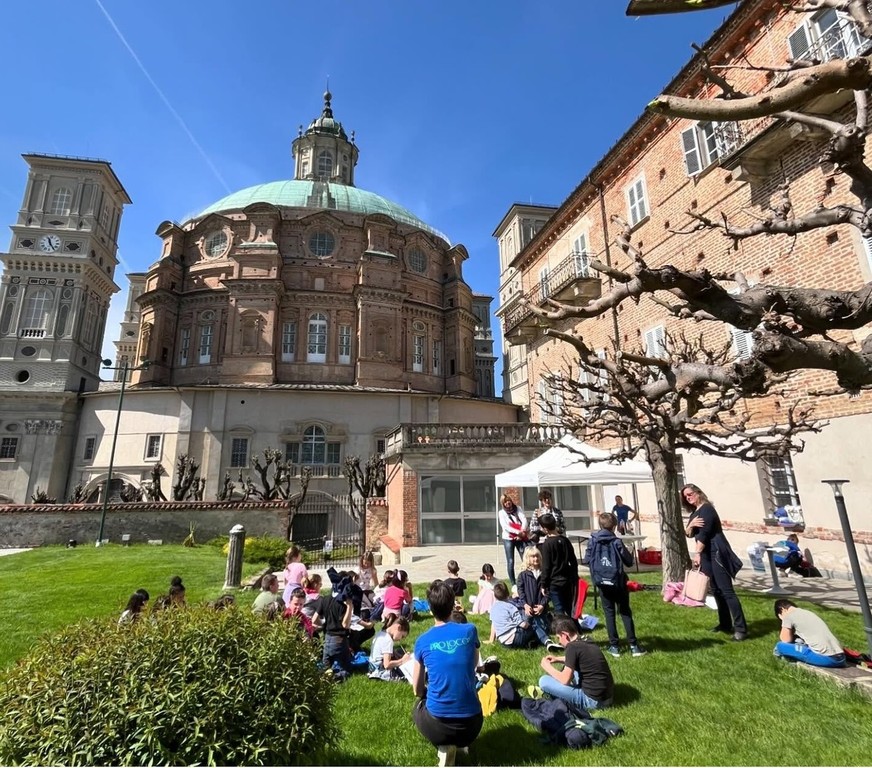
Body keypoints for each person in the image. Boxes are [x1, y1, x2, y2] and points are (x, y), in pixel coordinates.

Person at [412, 580, 483, 767]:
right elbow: (473, 664)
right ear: (453, 605)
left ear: (430, 608)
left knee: (418, 705)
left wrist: (427, 692)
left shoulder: (422, 641)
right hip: (472, 726)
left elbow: (417, 689)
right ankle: (460, 745)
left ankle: (445, 747)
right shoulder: (470, 630)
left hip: (438, 728)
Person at [682, 483, 747, 641]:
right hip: (706, 554)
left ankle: (741, 629)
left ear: (698, 493)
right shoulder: (695, 512)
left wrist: (697, 553)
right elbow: (688, 534)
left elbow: (704, 534)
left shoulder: (707, 510)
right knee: (716, 590)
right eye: (685, 496)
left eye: (690, 494)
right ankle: (725, 624)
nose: (688, 498)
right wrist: (691, 525)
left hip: (716, 551)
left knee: (727, 591)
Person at [583, 512, 646, 658]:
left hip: (602, 582)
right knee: (625, 612)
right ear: (615, 526)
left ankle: (614, 646)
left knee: (609, 613)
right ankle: (634, 646)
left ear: (600, 525)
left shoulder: (593, 541)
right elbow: (629, 562)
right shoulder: (616, 541)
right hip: (618, 582)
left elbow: (586, 560)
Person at [539, 616, 615, 711]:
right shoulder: (586, 639)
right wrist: (557, 659)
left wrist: (547, 667)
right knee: (569, 668)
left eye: (558, 638)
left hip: (592, 701)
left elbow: (565, 680)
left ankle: (553, 695)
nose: (559, 642)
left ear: (564, 635)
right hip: (608, 696)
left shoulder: (572, 647)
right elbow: (578, 658)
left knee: (543, 681)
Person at [773, 599, 846, 668]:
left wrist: (783, 620)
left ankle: (787, 665)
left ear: (782, 610)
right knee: (799, 641)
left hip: (827, 659)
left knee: (780, 646)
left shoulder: (788, 616)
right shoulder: (807, 612)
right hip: (841, 657)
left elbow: (785, 640)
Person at [539, 512, 579, 617]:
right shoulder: (565, 540)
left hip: (554, 582)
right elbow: (573, 561)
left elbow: (546, 566)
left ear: (545, 529)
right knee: (569, 608)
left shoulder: (547, 544)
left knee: (559, 609)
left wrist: (543, 584)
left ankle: (563, 626)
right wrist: (574, 576)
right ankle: (572, 625)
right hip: (567, 580)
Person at [488, 582, 549, 648]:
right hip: (515, 638)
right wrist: (528, 624)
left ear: (495, 595)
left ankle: (529, 643)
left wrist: (491, 639)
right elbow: (522, 624)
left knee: (527, 632)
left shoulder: (493, 608)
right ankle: (546, 641)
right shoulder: (510, 606)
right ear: (507, 593)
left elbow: (494, 624)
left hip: (504, 642)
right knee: (534, 626)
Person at [310, 588, 355, 675]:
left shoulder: (325, 599)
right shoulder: (343, 602)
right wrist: (349, 606)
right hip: (339, 641)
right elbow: (345, 625)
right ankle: (335, 677)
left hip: (327, 639)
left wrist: (323, 625)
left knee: (325, 669)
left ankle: (326, 675)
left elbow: (314, 619)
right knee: (346, 669)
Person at [368, 614, 412, 681]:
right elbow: (387, 665)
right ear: (399, 628)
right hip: (380, 671)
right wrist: (402, 660)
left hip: (372, 667)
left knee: (399, 651)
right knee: (406, 676)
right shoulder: (388, 640)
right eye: (402, 636)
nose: (401, 639)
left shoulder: (381, 633)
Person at [498, 494, 527, 586]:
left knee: (525, 558)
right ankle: (513, 583)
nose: (508, 503)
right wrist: (517, 532)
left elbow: (524, 520)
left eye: (509, 501)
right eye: (505, 502)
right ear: (503, 504)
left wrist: (522, 531)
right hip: (508, 538)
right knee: (510, 561)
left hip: (520, 537)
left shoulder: (518, 509)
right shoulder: (501, 513)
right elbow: (505, 526)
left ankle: (526, 578)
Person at [516, 546, 547, 619]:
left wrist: (542, 605)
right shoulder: (523, 575)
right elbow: (520, 591)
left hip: (541, 608)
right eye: (533, 557)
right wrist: (525, 605)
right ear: (527, 558)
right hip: (527, 608)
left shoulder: (544, 573)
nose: (536, 558)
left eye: (537, 556)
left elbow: (548, 591)